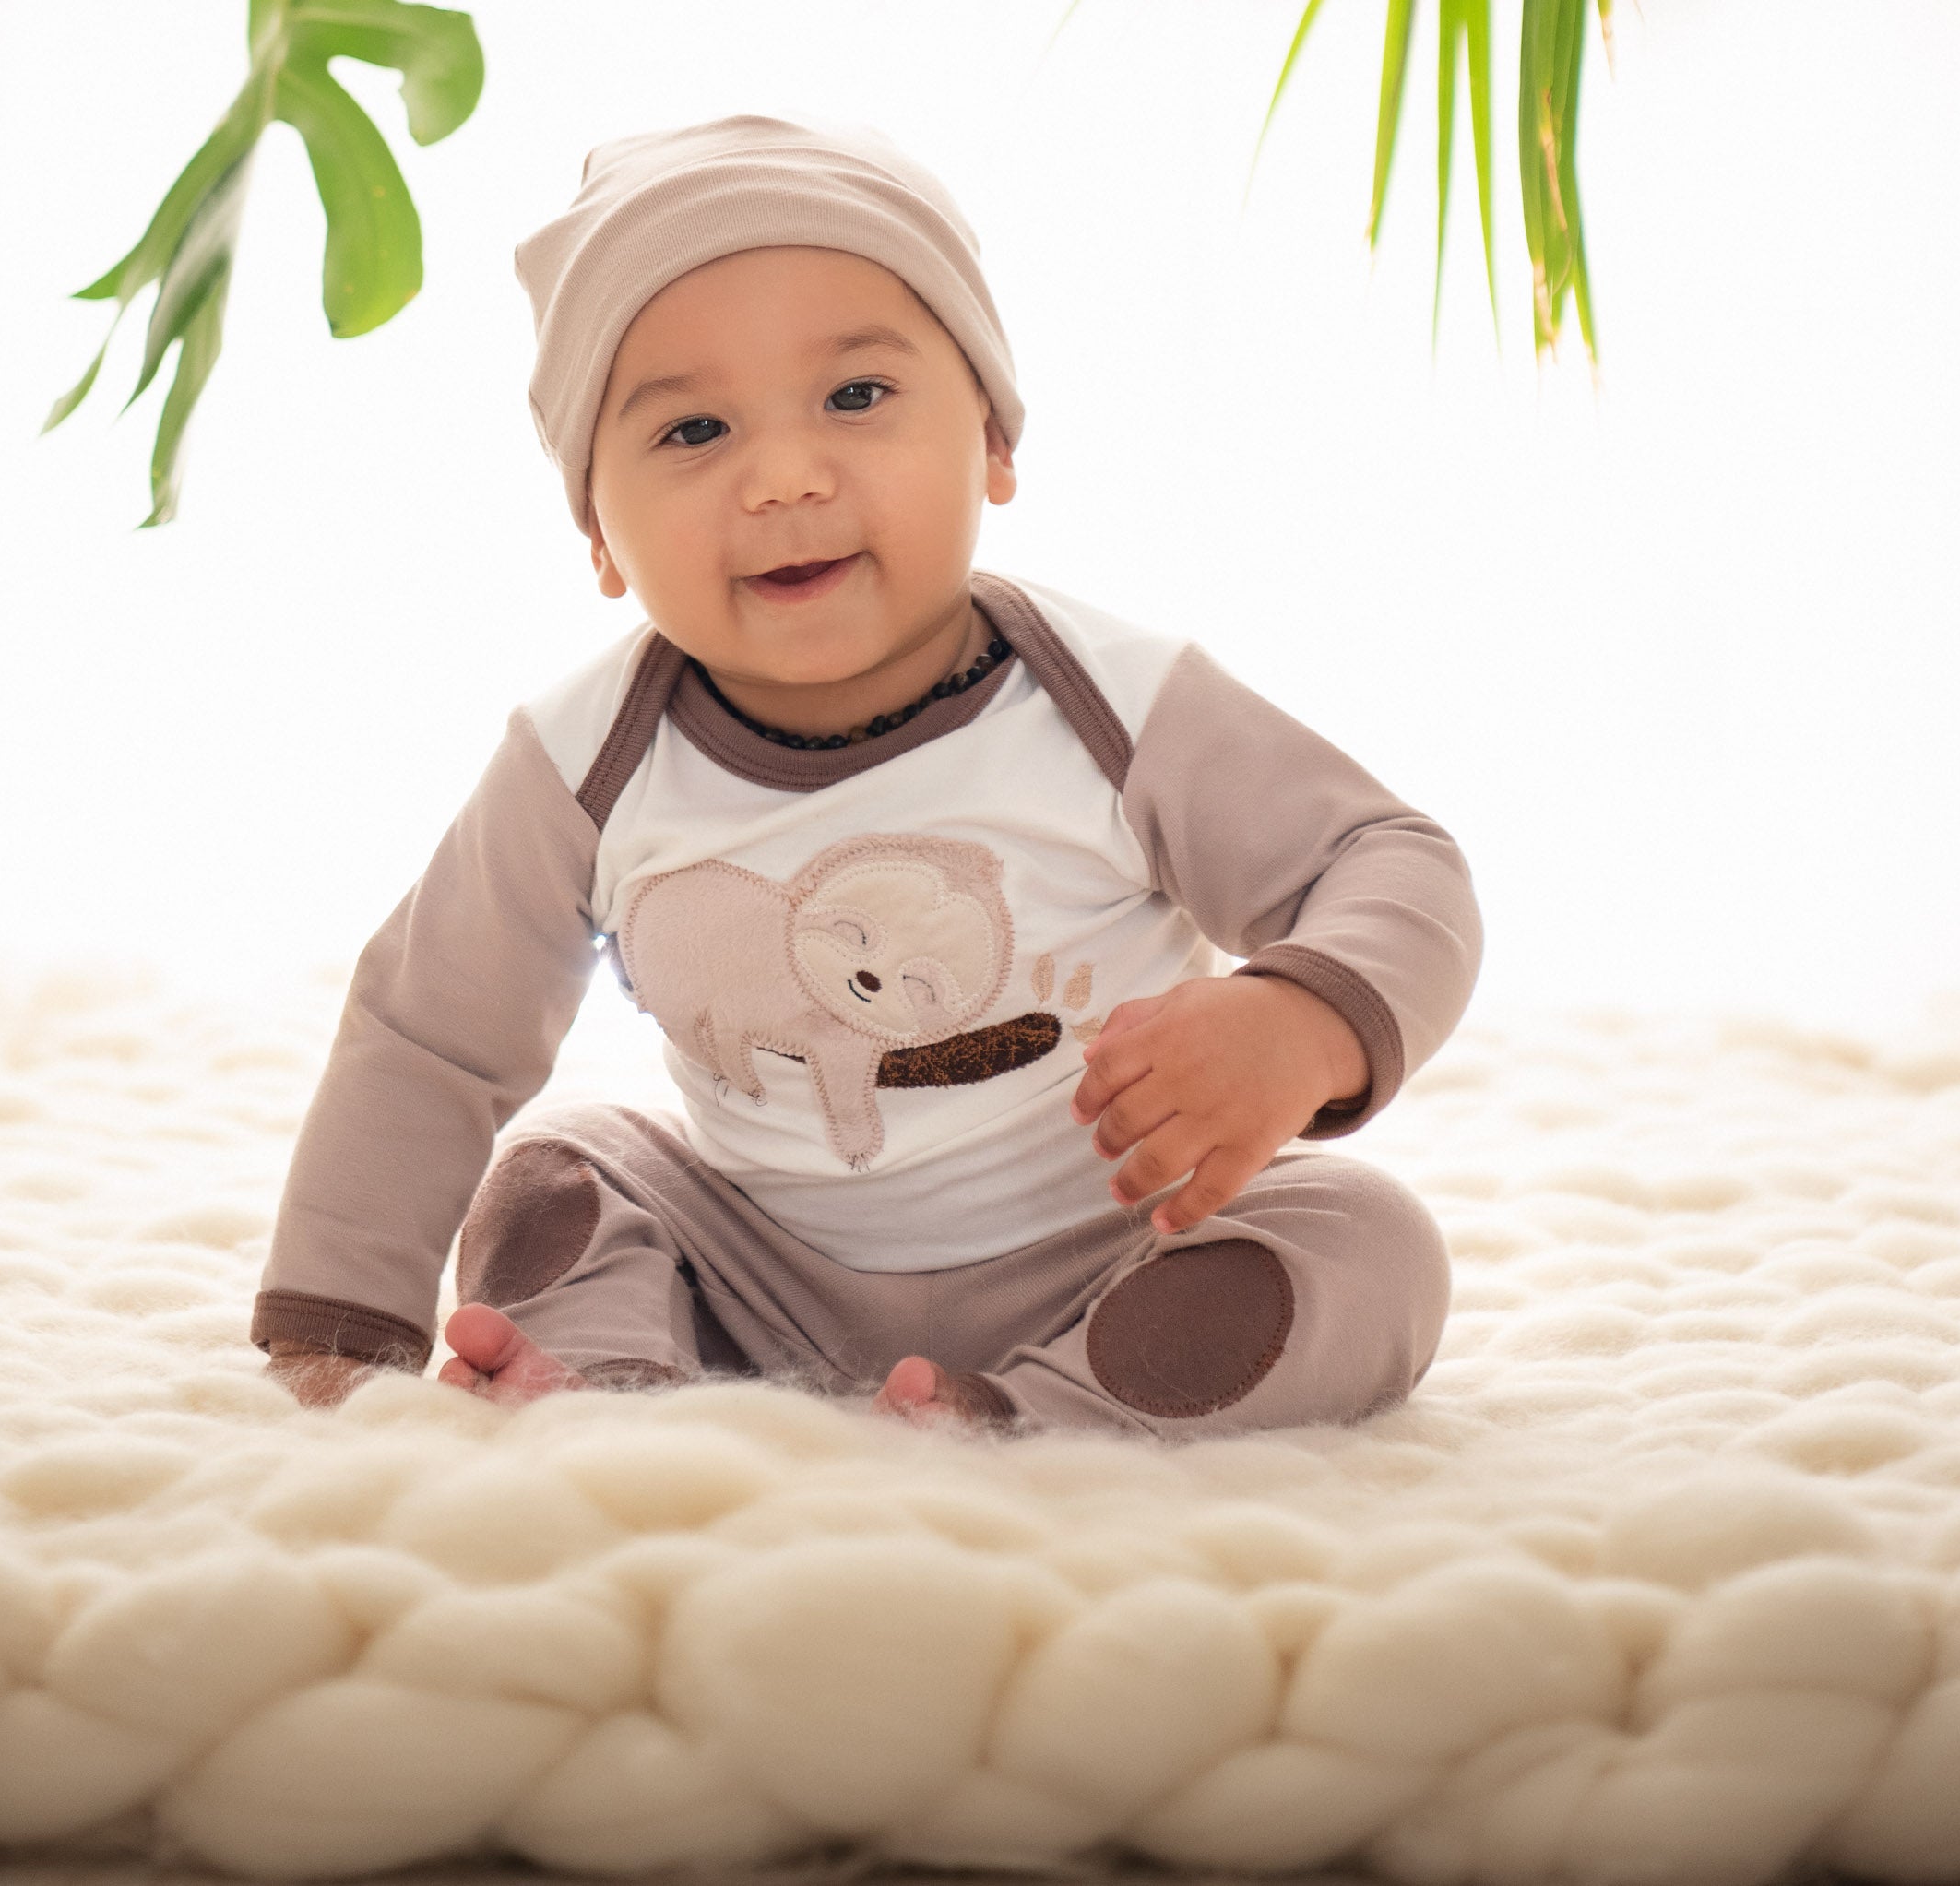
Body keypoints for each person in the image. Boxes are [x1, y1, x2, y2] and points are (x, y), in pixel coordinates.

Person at [253, 113, 1479, 1438]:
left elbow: (1384, 860)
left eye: (855, 397)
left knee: (1370, 1242)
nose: (784, 476)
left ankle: (1039, 1413)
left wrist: (1298, 1018)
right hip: (753, 1267)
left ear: (993, 443)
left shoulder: (1117, 702)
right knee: (567, 1170)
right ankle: (613, 1384)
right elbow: (430, 1034)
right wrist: (336, 1332)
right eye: (695, 429)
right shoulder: (580, 760)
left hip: (1120, 1249)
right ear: (599, 531)